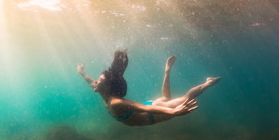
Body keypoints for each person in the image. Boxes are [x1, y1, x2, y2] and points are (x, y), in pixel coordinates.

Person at [77, 50, 220, 126]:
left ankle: (207, 83)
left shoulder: (116, 102)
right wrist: (81, 72)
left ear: (108, 86)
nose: (96, 82)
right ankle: (167, 72)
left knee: (184, 99)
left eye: (99, 81)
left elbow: (144, 109)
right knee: (166, 98)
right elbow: (91, 82)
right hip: (150, 109)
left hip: (152, 114)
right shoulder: (103, 92)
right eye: (98, 80)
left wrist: (172, 112)